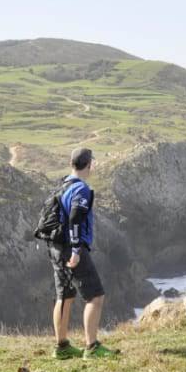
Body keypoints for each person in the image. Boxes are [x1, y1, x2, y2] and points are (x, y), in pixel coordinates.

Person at [50, 147, 117, 360]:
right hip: (72, 247)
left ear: (72, 163)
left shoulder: (62, 184)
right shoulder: (81, 189)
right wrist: (77, 251)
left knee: (65, 295)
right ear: (89, 164)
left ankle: (62, 347)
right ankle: (92, 347)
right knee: (95, 296)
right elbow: (75, 219)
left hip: (55, 246)